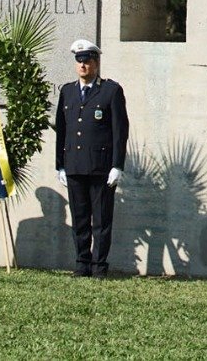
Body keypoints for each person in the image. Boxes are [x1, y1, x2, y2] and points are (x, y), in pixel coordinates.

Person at [54, 38, 129, 278]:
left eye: (87, 61)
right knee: (80, 219)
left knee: (101, 220)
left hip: (100, 167)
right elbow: (62, 130)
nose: (83, 65)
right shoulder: (67, 91)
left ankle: (99, 267)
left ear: (96, 63)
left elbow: (120, 131)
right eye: (79, 61)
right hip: (74, 165)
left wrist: (117, 165)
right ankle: (82, 264)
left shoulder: (110, 91)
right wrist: (60, 165)